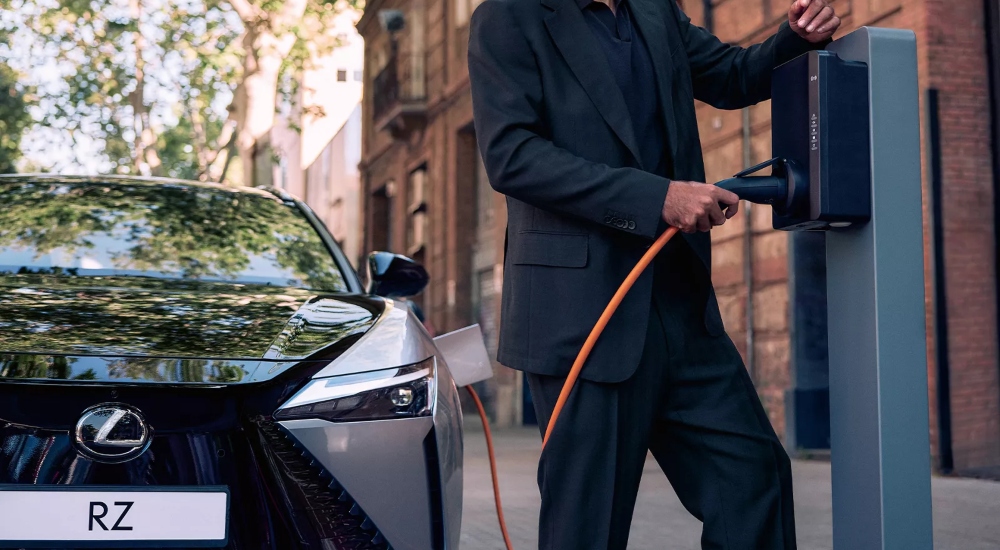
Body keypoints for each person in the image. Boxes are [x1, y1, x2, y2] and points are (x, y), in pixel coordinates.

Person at [468, 0, 839, 548]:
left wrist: (795, 39)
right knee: (586, 528)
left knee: (753, 479)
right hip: (583, 316)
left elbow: (733, 77)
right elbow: (513, 155)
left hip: (681, 307)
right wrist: (657, 197)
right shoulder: (507, 16)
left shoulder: (653, 10)